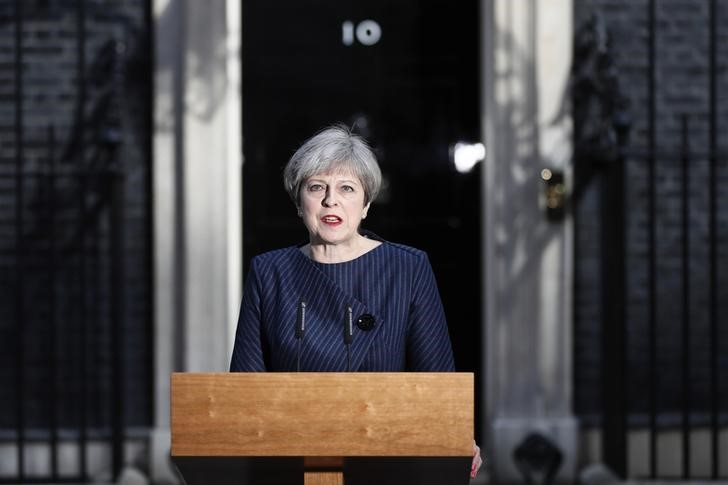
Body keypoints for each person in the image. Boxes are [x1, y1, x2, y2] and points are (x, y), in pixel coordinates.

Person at [229, 123, 482, 478]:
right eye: (317, 187)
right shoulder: (269, 272)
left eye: (346, 188)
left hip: (386, 463)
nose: (331, 199)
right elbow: (242, 397)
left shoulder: (407, 268)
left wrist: (454, 432)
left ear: (365, 205)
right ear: (299, 203)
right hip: (291, 467)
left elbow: (436, 382)